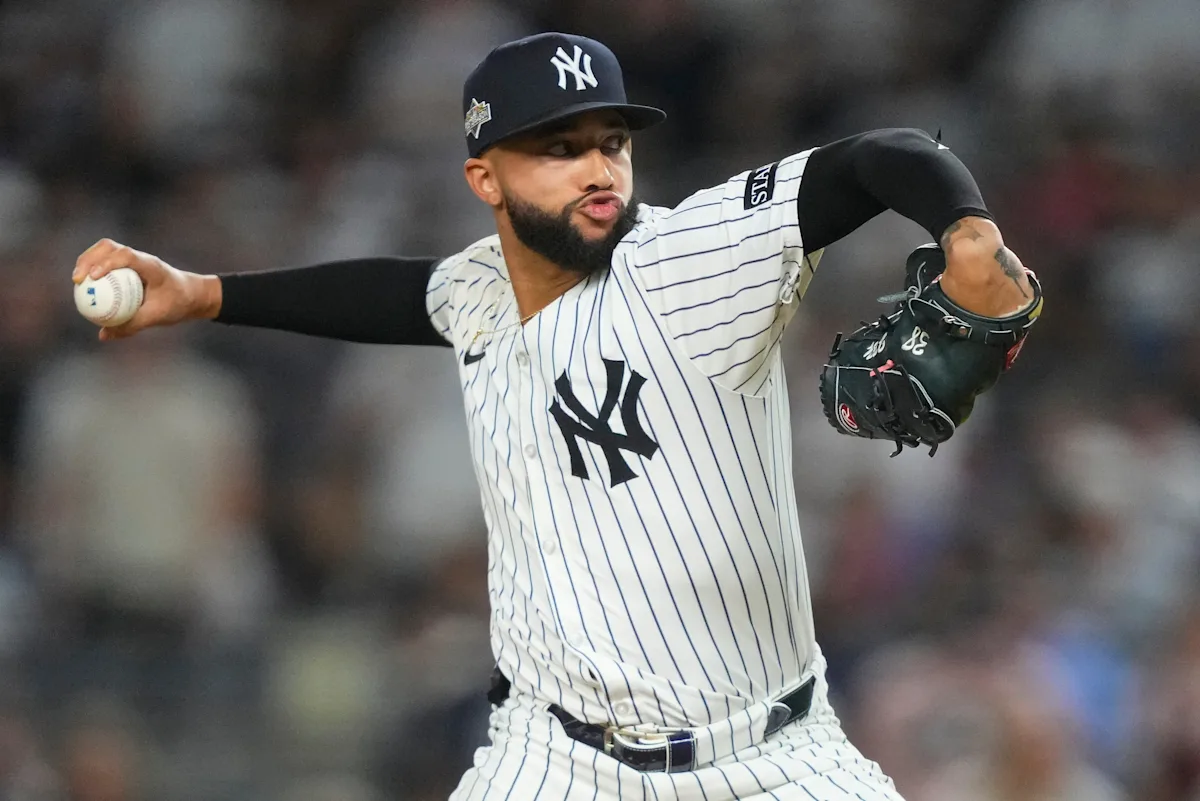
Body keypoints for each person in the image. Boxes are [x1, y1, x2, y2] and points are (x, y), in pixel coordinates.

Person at [71, 31, 1036, 801]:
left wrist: (966, 229)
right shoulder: (481, 289)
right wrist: (201, 294)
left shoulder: (690, 259)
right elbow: (394, 296)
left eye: (612, 141)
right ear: (484, 179)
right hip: (553, 758)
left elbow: (877, 157)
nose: (598, 170)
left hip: (768, 757)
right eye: (558, 148)